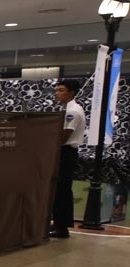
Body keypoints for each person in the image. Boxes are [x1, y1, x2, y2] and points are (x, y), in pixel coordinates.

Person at [51, 79, 87, 238]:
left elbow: (64, 136)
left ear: (71, 93)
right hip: (65, 152)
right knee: (60, 189)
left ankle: (62, 227)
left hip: (66, 153)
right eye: (56, 90)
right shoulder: (68, 109)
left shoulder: (72, 112)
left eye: (61, 90)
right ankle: (59, 224)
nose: (57, 93)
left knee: (62, 190)